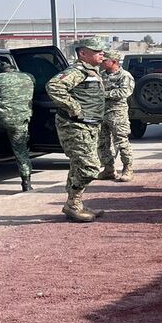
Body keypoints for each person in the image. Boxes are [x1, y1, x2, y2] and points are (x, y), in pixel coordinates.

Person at [46, 36, 108, 222]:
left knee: (77, 167)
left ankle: (75, 204)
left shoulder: (92, 72)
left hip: (89, 125)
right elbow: (54, 86)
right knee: (90, 167)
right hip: (76, 126)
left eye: (102, 51)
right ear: (83, 53)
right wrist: (74, 107)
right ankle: (72, 204)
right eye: (97, 51)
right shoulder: (77, 71)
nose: (102, 54)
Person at [0, 63, 35, 192]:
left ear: (1, 70)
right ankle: (26, 183)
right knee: (21, 151)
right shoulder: (29, 77)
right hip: (20, 119)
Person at [97, 49, 136, 182]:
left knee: (121, 141)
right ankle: (108, 169)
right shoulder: (100, 75)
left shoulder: (124, 75)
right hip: (101, 113)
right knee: (102, 142)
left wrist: (104, 95)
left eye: (105, 60)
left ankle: (127, 168)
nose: (102, 62)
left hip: (117, 113)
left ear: (113, 61)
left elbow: (125, 92)